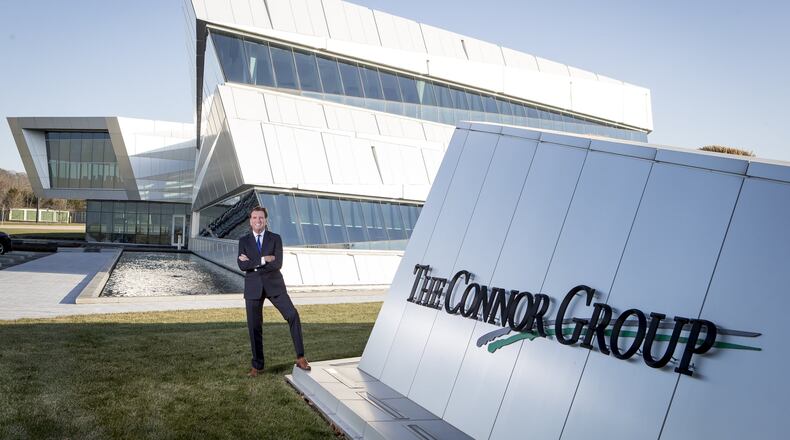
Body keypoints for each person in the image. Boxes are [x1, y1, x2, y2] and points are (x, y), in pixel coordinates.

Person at [237, 206, 310, 377]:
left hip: (274, 285)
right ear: (250, 221)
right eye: (254, 218)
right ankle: (257, 366)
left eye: (261, 218)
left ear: (266, 220)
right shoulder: (244, 241)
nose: (258, 221)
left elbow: (277, 264)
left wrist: (253, 263)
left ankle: (300, 357)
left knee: (293, 315)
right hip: (253, 287)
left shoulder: (275, 238)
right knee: (254, 327)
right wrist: (263, 259)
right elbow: (241, 265)